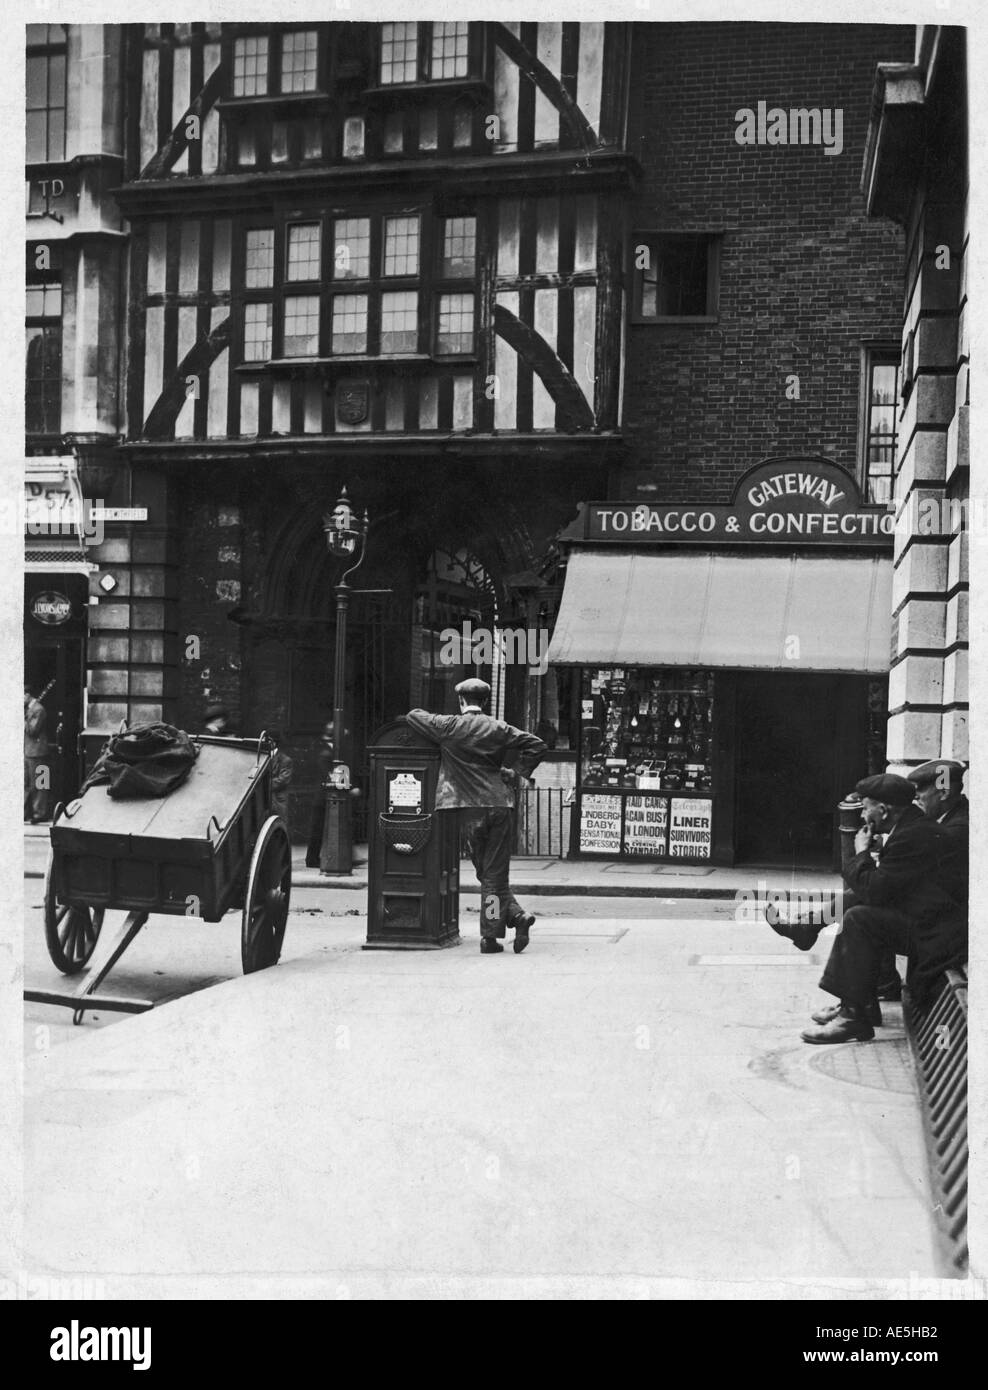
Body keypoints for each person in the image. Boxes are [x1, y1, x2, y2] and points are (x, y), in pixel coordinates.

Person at [773, 773, 966, 1044]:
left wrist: (860, 853)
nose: (863, 815)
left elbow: (875, 890)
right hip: (929, 921)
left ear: (883, 810)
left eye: (866, 808)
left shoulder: (912, 836)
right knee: (860, 904)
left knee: (860, 919)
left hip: (937, 934)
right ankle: (857, 1004)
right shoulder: (910, 828)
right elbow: (879, 889)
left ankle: (854, 1017)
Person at [406, 678, 546, 954]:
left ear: (461, 701)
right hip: (498, 805)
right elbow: (537, 745)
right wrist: (516, 773)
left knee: (488, 874)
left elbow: (413, 716)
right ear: (484, 702)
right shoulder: (498, 727)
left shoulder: (449, 726)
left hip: (467, 808)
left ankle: (491, 937)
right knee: (490, 873)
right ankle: (517, 917)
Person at [24, 684, 50, 824]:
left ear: (27, 695)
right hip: (28, 751)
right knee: (28, 784)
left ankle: (40, 812)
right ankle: (27, 812)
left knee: (40, 783)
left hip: (38, 752)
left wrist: (24, 719)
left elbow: (33, 731)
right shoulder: (30, 710)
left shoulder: (38, 710)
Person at [265, 730, 294, 826]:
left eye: (268, 741)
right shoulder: (263, 757)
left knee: (279, 825)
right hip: (264, 800)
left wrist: (262, 786)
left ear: (274, 742)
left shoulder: (285, 760)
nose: (266, 743)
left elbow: (283, 780)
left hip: (278, 800)